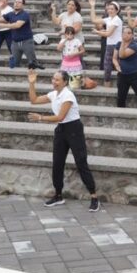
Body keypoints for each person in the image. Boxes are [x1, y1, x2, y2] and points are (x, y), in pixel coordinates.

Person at [27, 69, 101, 212]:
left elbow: (60, 116)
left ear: (65, 82)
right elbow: (34, 100)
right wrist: (32, 84)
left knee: (81, 162)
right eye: (53, 79)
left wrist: (41, 118)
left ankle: (94, 197)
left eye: (57, 80)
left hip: (74, 130)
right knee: (57, 163)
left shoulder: (68, 95)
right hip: (61, 130)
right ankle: (58, 195)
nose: (54, 81)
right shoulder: (54, 94)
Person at [113, 26, 137, 108]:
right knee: (120, 97)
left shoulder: (134, 45)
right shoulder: (118, 44)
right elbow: (114, 58)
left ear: (132, 35)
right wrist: (116, 65)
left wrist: (123, 42)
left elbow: (122, 55)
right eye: (124, 33)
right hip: (122, 75)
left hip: (135, 74)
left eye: (129, 33)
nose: (126, 35)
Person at [88, 0, 122, 86]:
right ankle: (107, 86)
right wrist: (92, 6)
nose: (109, 10)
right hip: (110, 45)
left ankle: (122, 85)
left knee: (119, 66)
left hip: (117, 45)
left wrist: (97, 32)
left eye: (112, 9)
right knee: (107, 67)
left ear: (117, 10)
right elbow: (94, 20)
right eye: (109, 9)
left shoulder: (117, 20)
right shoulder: (109, 19)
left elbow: (108, 34)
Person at [3, 0, 40, 69]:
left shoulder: (25, 14)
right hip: (15, 43)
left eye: (19, 2)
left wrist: (3, 25)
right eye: (15, 2)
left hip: (27, 41)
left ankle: (33, 78)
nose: (16, 3)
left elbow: (17, 26)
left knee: (32, 63)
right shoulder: (10, 14)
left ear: (23, 5)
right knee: (13, 64)